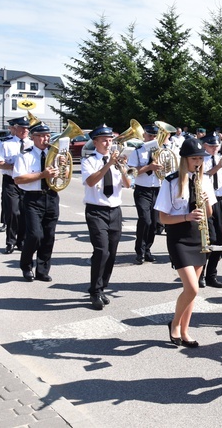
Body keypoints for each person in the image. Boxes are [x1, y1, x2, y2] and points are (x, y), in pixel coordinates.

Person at [154, 138, 215, 349]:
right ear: (185, 160)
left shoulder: (205, 180)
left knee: (193, 289)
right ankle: (175, 324)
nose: (198, 162)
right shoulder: (171, 181)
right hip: (179, 236)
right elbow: (163, 218)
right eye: (195, 158)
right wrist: (186, 217)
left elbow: (209, 214)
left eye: (201, 158)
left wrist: (206, 201)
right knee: (192, 288)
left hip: (198, 236)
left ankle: (185, 330)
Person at [82, 124, 132, 310]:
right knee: (101, 251)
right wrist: (108, 164)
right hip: (96, 211)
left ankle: (102, 287)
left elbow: (127, 184)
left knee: (111, 253)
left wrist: (124, 169)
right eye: (104, 140)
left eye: (110, 140)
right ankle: (94, 291)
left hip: (115, 211)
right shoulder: (90, 161)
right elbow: (90, 181)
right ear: (95, 142)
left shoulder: (117, 162)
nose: (108, 143)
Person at [12, 121, 60, 282]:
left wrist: (63, 171)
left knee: (49, 236)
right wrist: (42, 175)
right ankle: (26, 266)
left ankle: (42, 270)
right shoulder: (24, 156)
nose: (45, 139)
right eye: (41, 136)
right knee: (34, 235)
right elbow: (18, 179)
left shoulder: (55, 155)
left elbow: (62, 175)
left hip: (51, 196)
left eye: (47, 135)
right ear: (33, 137)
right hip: (32, 198)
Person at [128, 124, 163, 264]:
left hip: (158, 190)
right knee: (145, 220)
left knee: (154, 223)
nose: (152, 138)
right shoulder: (137, 152)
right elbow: (131, 171)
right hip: (142, 190)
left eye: (155, 136)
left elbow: (169, 169)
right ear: (144, 136)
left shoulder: (162, 151)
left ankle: (147, 249)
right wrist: (149, 167)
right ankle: (139, 251)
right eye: (150, 136)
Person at [199, 134, 222, 287]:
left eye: (216, 146)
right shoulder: (201, 160)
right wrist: (218, 166)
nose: (214, 148)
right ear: (204, 145)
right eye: (211, 146)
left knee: (219, 239)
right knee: (208, 239)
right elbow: (203, 176)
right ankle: (200, 275)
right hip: (206, 200)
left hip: (220, 199)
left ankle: (211, 275)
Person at [0, 116, 30, 253]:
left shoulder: (32, 144)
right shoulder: (5, 144)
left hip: (27, 181)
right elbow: (0, 164)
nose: (25, 131)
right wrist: (14, 166)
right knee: (13, 212)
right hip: (11, 181)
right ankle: (10, 241)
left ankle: (21, 241)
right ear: (15, 129)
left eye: (27, 128)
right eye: (22, 128)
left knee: (24, 212)